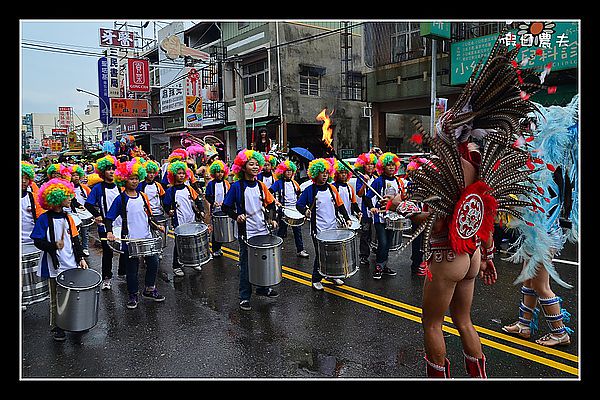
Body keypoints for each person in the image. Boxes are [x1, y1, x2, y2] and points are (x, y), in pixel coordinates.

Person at [390, 33, 545, 377]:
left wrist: (402, 205)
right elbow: (482, 214)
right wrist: (488, 256)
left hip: (448, 254)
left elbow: (432, 212)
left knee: (432, 324)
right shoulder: (484, 162)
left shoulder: (449, 161)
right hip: (473, 253)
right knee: (464, 321)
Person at [501, 95, 579, 348]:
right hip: (535, 233)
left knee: (541, 285)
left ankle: (559, 332)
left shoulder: (550, 171)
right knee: (528, 279)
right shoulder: (537, 168)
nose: (529, 132)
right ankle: (524, 325)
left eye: (534, 128)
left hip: (544, 235)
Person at [30, 178, 88, 341]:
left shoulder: (69, 218)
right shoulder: (43, 219)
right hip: (53, 265)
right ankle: (58, 326)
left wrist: (81, 258)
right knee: (56, 297)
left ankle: (75, 323)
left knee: (73, 296)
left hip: (71, 263)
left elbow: (75, 241)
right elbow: (37, 240)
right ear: (56, 198)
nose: (71, 198)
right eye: (67, 196)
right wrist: (53, 245)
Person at [222, 149, 279, 311]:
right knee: (246, 264)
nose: (255, 167)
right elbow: (226, 207)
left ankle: (262, 288)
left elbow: (271, 205)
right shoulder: (237, 187)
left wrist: (272, 219)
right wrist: (236, 216)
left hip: (262, 230)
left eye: (256, 164)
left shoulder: (261, 186)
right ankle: (244, 296)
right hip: (247, 233)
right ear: (242, 167)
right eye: (251, 164)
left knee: (263, 261)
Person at [105, 159, 166, 309]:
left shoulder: (143, 197)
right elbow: (109, 218)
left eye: (136, 178)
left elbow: (148, 217)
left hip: (146, 237)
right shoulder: (121, 199)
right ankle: (133, 295)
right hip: (130, 239)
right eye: (131, 178)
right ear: (124, 179)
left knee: (153, 263)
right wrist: (109, 232)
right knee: (132, 269)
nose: (134, 181)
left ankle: (149, 289)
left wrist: (157, 226)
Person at [296, 158, 352, 290]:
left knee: (334, 253)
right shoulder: (310, 190)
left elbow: (340, 205)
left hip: (332, 227)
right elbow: (299, 204)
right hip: (318, 230)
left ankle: (331, 275)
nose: (325, 175)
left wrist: (347, 218)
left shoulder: (332, 188)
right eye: (322, 173)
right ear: (315, 174)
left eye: (327, 172)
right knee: (321, 255)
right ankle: (316, 279)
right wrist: (306, 211)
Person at [84, 155, 126, 290]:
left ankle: (122, 271)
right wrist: (98, 215)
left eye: (113, 169)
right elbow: (88, 204)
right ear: (102, 172)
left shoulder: (120, 186)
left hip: (122, 224)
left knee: (125, 249)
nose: (111, 172)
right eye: (108, 169)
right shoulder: (98, 188)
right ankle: (106, 278)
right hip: (105, 226)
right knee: (107, 252)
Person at [364, 152, 406, 279]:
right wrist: (372, 208)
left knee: (387, 243)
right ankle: (378, 266)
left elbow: (402, 197)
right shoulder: (378, 181)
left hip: (393, 217)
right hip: (380, 218)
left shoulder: (399, 182)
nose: (391, 167)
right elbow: (367, 197)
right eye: (388, 165)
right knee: (382, 242)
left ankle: (383, 265)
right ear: (383, 167)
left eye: (393, 165)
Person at [162, 160, 206, 276]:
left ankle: (194, 261)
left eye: (183, 173)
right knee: (179, 244)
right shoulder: (170, 191)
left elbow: (197, 200)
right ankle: (176, 265)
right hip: (179, 221)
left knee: (192, 241)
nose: (181, 175)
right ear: (173, 175)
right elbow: (166, 204)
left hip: (190, 218)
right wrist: (169, 211)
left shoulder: (188, 188)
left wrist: (201, 211)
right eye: (179, 173)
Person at [269, 160, 310, 258]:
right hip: (284, 210)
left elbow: (299, 194)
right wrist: (276, 201)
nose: (289, 172)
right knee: (281, 231)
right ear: (282, 172)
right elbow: (269, 192)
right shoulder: (278, 183)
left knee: (297, 231)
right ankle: (275, 249)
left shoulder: (295, 183)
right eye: (287, 171)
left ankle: (300, 250)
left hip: (294, 210)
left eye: (290, 171)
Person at [353, 152, 378, 267]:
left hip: (376, 209)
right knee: (365, 233)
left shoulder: (377, 178)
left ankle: (376, 248)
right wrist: (364, 183)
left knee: (376, 231)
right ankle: (364, 255)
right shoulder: (360, 178)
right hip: (366, 210)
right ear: (363, 166)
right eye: (368, 164)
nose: (370, 166)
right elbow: (359, 194)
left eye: (372, 164)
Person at [204, 159, 231, 258]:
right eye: (218, 172)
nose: (220, 174)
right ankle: (215, 248)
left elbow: (229, 195)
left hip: (224, 209)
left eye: (222, 172)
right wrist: (213, 202)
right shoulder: (211, 184)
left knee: (223, 229)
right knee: (216, 230)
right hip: (215, 210)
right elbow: (207, 196)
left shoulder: (226, 183)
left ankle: (219, 247)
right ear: (214, 173)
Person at [69, 165, 92, 256]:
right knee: (76, 233)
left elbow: (90, 199)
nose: (76, 177)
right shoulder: (68, 188)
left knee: (85, 232)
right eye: (73, 175)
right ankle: (77, 249)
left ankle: (85, 248)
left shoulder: (84, 188)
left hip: (84, 213)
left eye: (77, 175)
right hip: (73, 214)